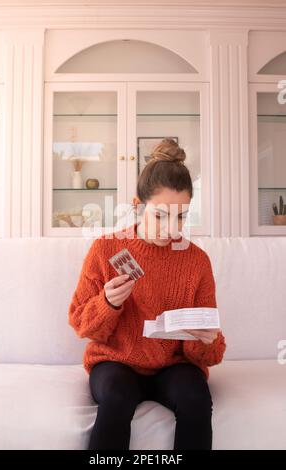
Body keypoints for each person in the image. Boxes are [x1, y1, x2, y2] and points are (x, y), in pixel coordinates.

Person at [68, 137, 226, 450]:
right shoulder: (106, 250)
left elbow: (214, 351)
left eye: (181, 216)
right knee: (116, 397)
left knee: (196, 397)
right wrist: (108, 303)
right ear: (139, 206)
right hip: (116, 363)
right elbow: (81, 324)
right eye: (161, 215)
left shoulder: (197, 261)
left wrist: (205, 339)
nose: (172, 229)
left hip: (173, 366)